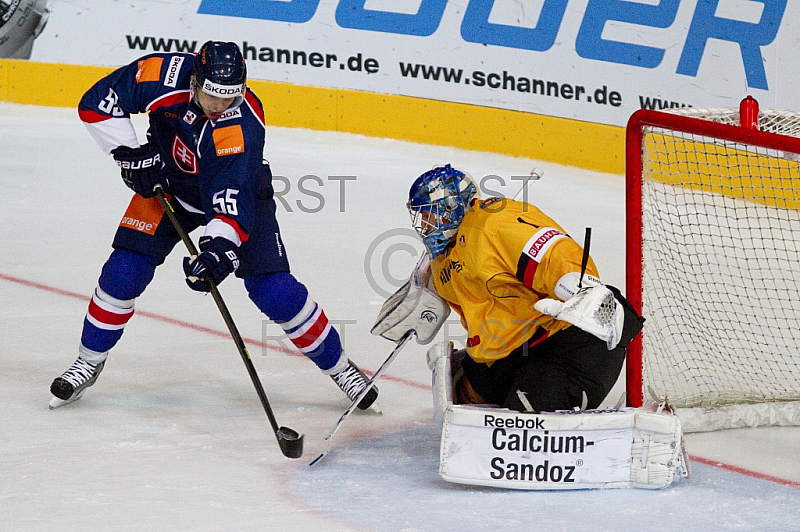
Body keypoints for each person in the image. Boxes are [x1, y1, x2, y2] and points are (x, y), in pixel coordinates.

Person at [49, 41, 378, 411]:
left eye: (228, 98)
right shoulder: (163, 74)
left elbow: (229, 197)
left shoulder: (241, 125)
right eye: (211, 95)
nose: (219, 106)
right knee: (123, 270)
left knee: (275, 291)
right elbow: (97, 103)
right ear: (195, 80)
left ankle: (340, 368)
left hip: (239, 194)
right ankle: (88, 361)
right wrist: (132, 155)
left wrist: (217, 251)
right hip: (169, 186)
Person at [405, 164, 643, 413]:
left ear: (451, 206)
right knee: (463, 401)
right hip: (512, 351)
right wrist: (423, 292)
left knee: (525, 426)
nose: (423, 223)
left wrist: (579, 287)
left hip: (568, 342)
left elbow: (552, 251)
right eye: (420, 216)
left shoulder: (495, 224)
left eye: (428, 214)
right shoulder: (442, 257)